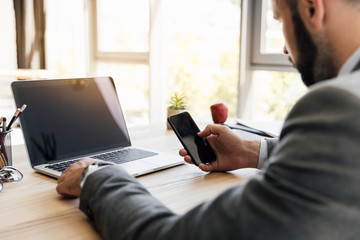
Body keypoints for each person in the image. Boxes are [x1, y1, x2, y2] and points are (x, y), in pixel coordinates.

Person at [56, 0, 360, 239]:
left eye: (279, 20)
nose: (283, 47)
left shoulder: (341, 104)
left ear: (311, 8)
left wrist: (95, 177)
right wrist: (251, 152)